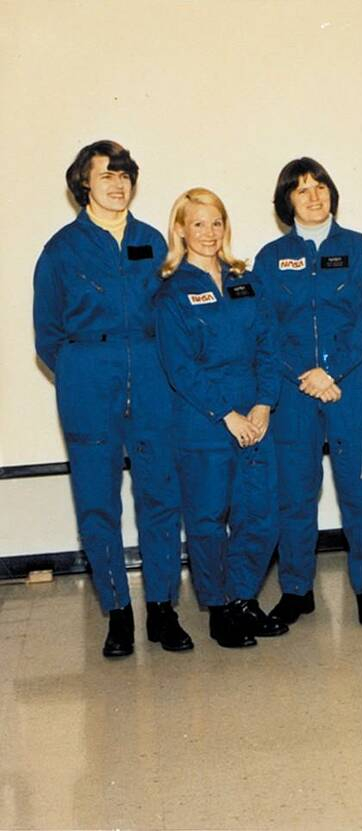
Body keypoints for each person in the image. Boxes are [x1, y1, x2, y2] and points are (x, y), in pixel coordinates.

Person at [33, 140, 190, 658]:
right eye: (106, 176)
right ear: (84, 183)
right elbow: (47, 335)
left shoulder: (152, 242)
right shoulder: (61, 249)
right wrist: (84, 372)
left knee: (161, 499)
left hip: (151, 379)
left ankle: (162, 610)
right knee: (97, 502)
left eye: (124, 176)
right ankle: (118, 612)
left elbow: (174, 314)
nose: (117, 184)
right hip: (89, 384)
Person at [253, 158, 362, 627]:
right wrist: (303, 375)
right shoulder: (270, 259)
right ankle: (296, 590)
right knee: (293, 495)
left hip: (349, 386)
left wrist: (329, 370)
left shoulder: (361, 249)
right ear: (286, 200)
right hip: (294, 393)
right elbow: (266, 329)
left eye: (320, 187)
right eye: (301, 190)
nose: (314, 196)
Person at [155, 188, 287, 647]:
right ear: (180, 230)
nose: (208, 233)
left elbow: (269, 347)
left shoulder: (244, 280)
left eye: (216, 223)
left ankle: (243, 597)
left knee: (261, 513)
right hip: (204, 422)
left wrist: (264, 403)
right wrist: (225, 413)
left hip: (255, 415)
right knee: (208, 519)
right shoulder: (172, 292)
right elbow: (180, 367)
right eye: (197, 224)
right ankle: (218, 608)